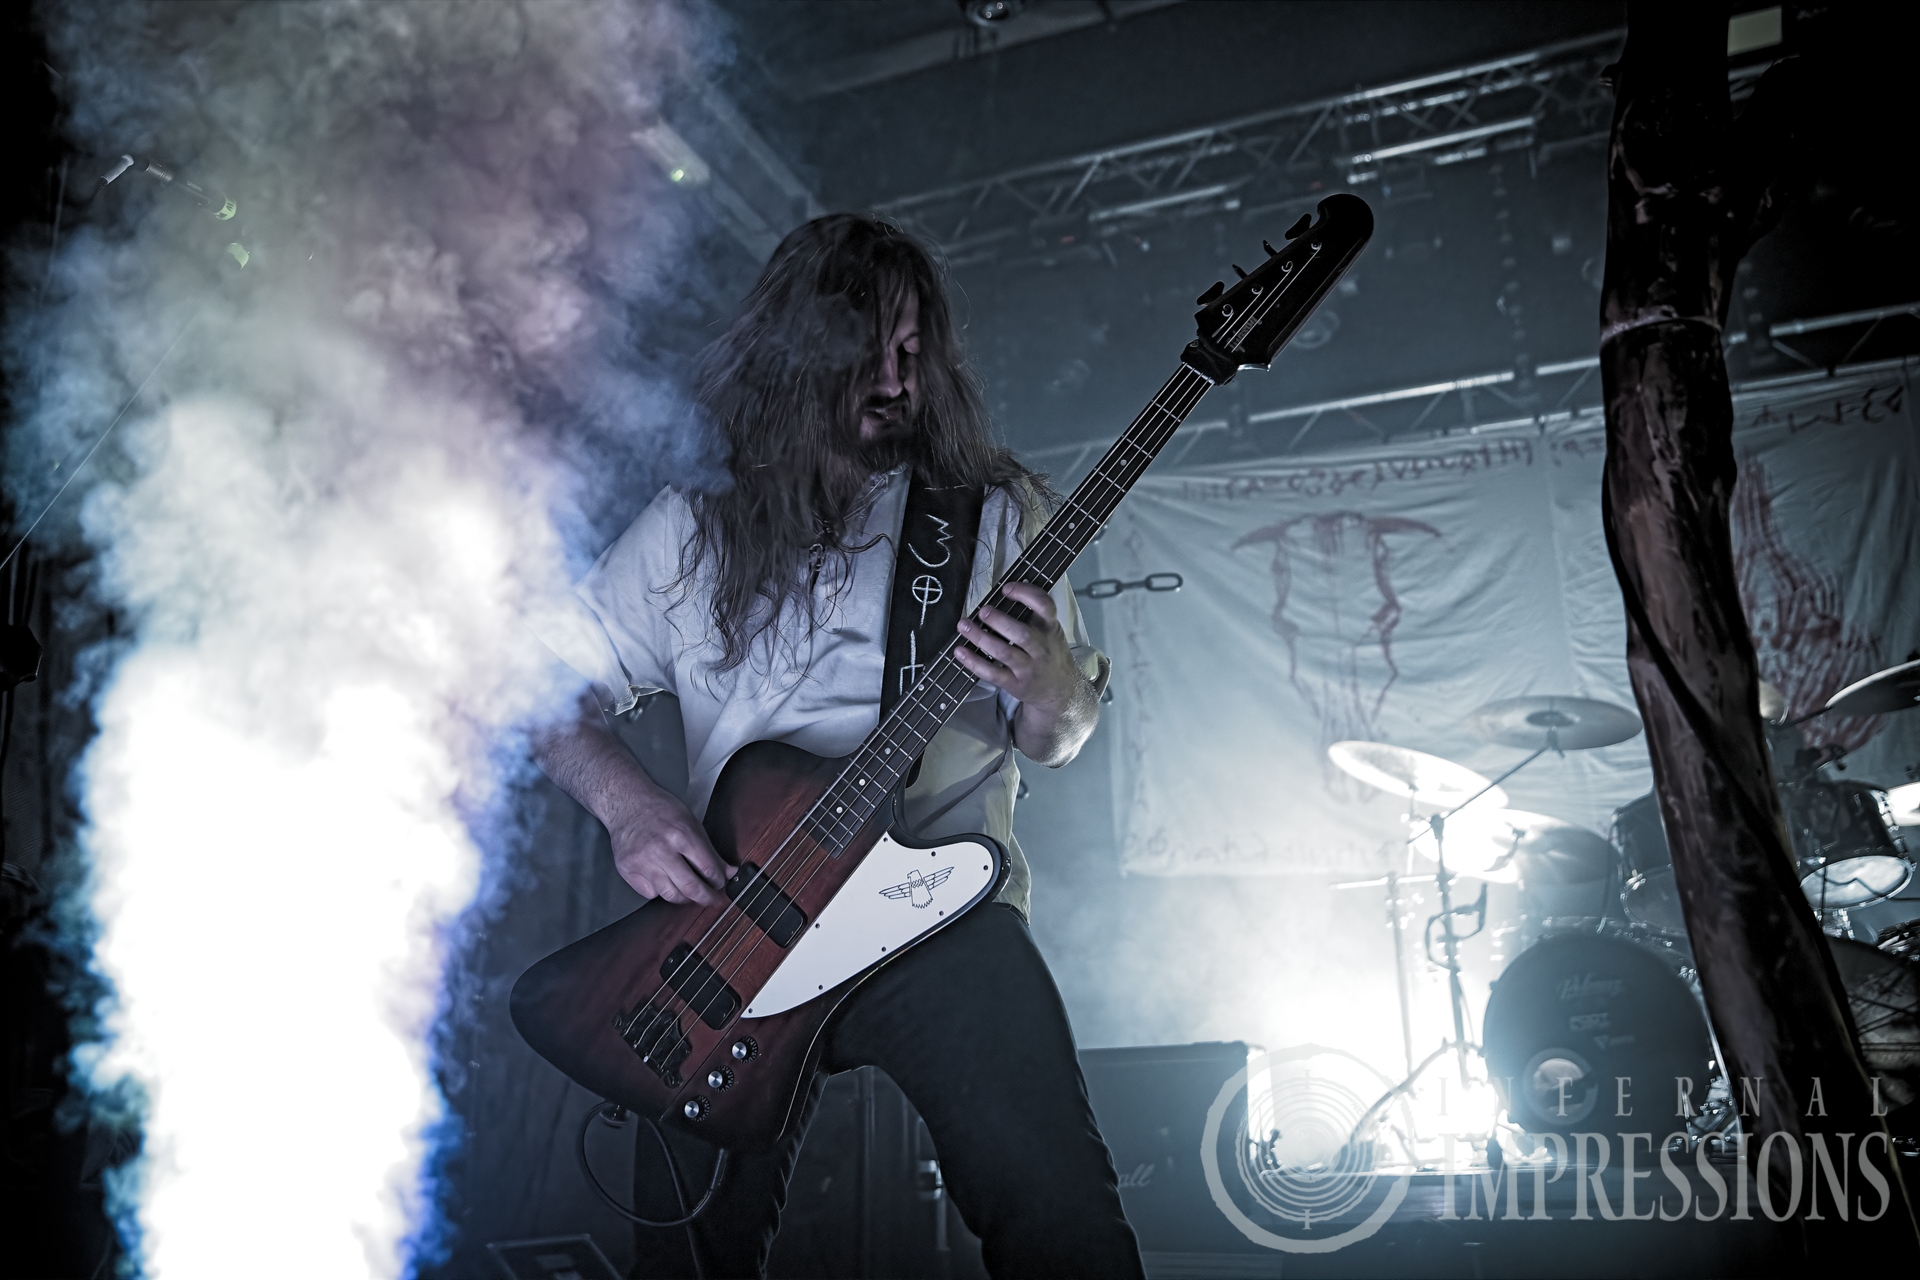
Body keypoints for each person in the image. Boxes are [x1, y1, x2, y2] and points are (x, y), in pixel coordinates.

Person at [531, 214, 1144, 1279]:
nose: (897, 381)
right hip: (737, 915)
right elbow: (544, 693)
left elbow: (1057, 739)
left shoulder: (994, 514)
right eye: (868, 351)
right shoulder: (690, 523)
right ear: (793, 348)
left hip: (938, 915)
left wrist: (1052, 688)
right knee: (681, 1262)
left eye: (914, 351)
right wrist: (630, 808)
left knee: (1061, 1217)